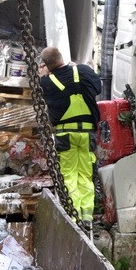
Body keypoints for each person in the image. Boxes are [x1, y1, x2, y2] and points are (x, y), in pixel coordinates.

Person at [38, 46, 101, 227]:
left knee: (69, 175)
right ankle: (87, 216)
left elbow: (37, 86)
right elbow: (98, 87)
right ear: (62, 58)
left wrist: (44, 73)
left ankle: (74, 218)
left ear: (47, 65)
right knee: (86, 175)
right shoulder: (82, 71)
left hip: (65, 135)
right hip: (86, 134)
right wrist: (78, 67)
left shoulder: (46, 84)